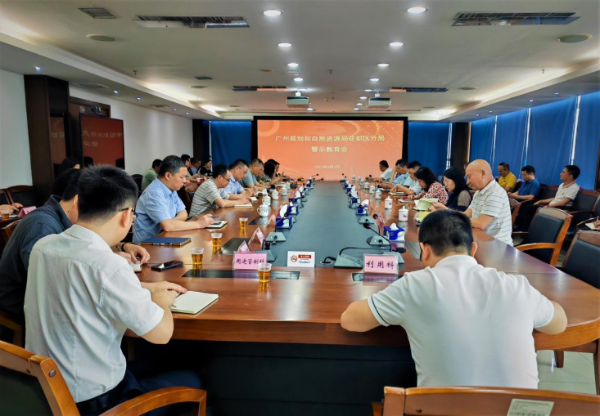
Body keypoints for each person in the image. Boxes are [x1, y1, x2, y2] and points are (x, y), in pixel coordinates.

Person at [24, 166, 201, 414]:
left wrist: (145, 288)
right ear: (126, 216)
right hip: (97, 403)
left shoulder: (43, 246)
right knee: (192, 378)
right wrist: (162, 301)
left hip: (44, 393)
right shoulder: (109, 265)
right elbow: (161, 335)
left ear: (78, 202)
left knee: (153, 364)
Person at [341, 210, 567, 389]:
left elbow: (350, 321)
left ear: (424, 250)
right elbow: (559, 324)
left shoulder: (415, 285)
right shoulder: (516, 286)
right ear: (473, 249)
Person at [0, 168, 149, 323]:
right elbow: (49, 279)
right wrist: (106, 263)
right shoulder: (42, 225)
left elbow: (85, 245)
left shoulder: (63, 217)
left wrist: (123, 246)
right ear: (78, 202)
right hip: (24, 306)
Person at [134, 155, 214, 243]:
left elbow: (183, 213)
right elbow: (168, 226)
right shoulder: (154, 193)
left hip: (166, 239)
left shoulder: (171, 189)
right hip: (147, 246)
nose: (185, 180)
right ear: (168, 175)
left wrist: (171, 223)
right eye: (181, 177)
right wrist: (198, 224)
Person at [514, 165, 580, 232]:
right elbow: (556, 198)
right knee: (528, 215)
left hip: (560, 210)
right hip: (551, 207)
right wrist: (541, 201)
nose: (561, 173)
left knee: (529, 207)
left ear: (570, 176)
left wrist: (549, 206)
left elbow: (564, 202)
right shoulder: (561, 185)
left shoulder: (574, 188)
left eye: (563, 172)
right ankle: (523, 232)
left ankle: (515, 226)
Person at [464, 160, 513, 245]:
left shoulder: (495, 193)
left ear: (482, 174)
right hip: (481, 239)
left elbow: (480, 223)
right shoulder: (479, 192)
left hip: (497, 245)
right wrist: (446, 213)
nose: (467, 182)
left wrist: (452, 219)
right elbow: (466, 214)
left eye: (469, 177)